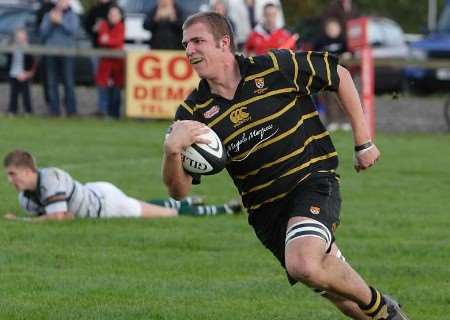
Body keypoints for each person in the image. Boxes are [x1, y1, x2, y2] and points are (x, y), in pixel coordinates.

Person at [162, 11, 409, 320]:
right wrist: (172, 150)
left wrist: (363, 140)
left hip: (311, 181)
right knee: (337, 293)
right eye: (186, 44)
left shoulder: (275, 66)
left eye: (198, 41)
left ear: (224, 43)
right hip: (267, 214)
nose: (189, 51)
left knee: (304, 264)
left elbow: (338, 74)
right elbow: (180, 191)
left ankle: (382, 306)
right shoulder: (192, 113)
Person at [3, 150, 242, 222]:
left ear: (27, 170)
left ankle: (224, 210)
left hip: (107, 205)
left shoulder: (50, 178)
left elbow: (61, 217)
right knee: (145, 206)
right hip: (96, 194)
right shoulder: (26, 197)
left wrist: (21, 222)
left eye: (13, 174)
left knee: (169, 215)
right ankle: (191, 201)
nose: (10, 180)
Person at [39, 0, 79, 117]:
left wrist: (60, 22)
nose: (61, 2)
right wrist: (52, 22)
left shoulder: (73, 16)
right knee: (51, 83)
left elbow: (73, 31)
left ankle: (71, 111)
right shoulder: (48, 15)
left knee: (69, 83)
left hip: (67, 54)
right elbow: (43, 33)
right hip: (51, 53)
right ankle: (54, 111)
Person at [314, 17, 351, 132]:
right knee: (329, 98)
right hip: (327, 74)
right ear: (326, 29)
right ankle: (332, 121)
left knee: (345, 98)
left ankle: (345, 121)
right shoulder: (321, 40)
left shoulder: (344, 40)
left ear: (339, 29)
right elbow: (315, 54)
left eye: (334, 28)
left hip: (343, 75)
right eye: (330, 28)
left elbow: (352, 52)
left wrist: (348, 54)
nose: (332, 30)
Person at [95, 5, 125, 118]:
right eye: (111, 14)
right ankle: (103, 111)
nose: (112, 16)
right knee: (103, 87)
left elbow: (117, 41)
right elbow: (101, 40)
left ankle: (115, 113)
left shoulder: (121, 26)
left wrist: (108, 40)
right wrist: (109, 41)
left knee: (116, 89)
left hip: (117, 63)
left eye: (115, 14)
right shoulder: (104, 24)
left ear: (120, 16)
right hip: (105, 62)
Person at [7, 27, 35, 116]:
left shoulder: (28, 48)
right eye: (18, 37)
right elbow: (8, 56)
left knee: (26, 94)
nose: (20, 39)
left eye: (22, 37)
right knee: (13, 94)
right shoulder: (12, 48)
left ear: (26, 37)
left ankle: (28, 111)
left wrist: (28, 73)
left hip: (24, 74)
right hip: (14, 74)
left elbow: (32, 62)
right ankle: (12, 111)